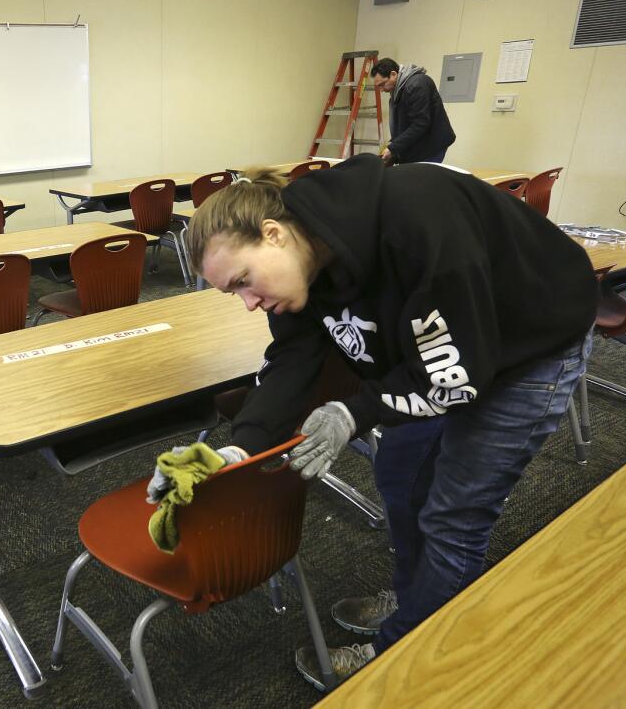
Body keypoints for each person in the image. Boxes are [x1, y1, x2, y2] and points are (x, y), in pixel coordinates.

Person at [164, 154, 596, 689]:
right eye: (236, 294)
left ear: (272, 234)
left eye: (244, 281)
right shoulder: (305, 262)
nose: (250, 303)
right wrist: (237, 450)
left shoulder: (417, 220)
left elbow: (456, 374)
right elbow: (294, 363)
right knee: (399, 475)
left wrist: (356, 410)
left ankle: (405, 660)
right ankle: (419, 597)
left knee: (454, 516)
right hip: (437, 353)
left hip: (528, 349)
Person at [371, 57, 455, 166]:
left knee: (420, 180)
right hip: (419, 143)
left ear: (393, 74)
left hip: (431, 147)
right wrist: (394, 150)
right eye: (378, 87)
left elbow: (420, 124)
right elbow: (402, 126)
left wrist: (393, 148)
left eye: (382, 84)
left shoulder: (416, 85)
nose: (381, 90)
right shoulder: (397, 92)